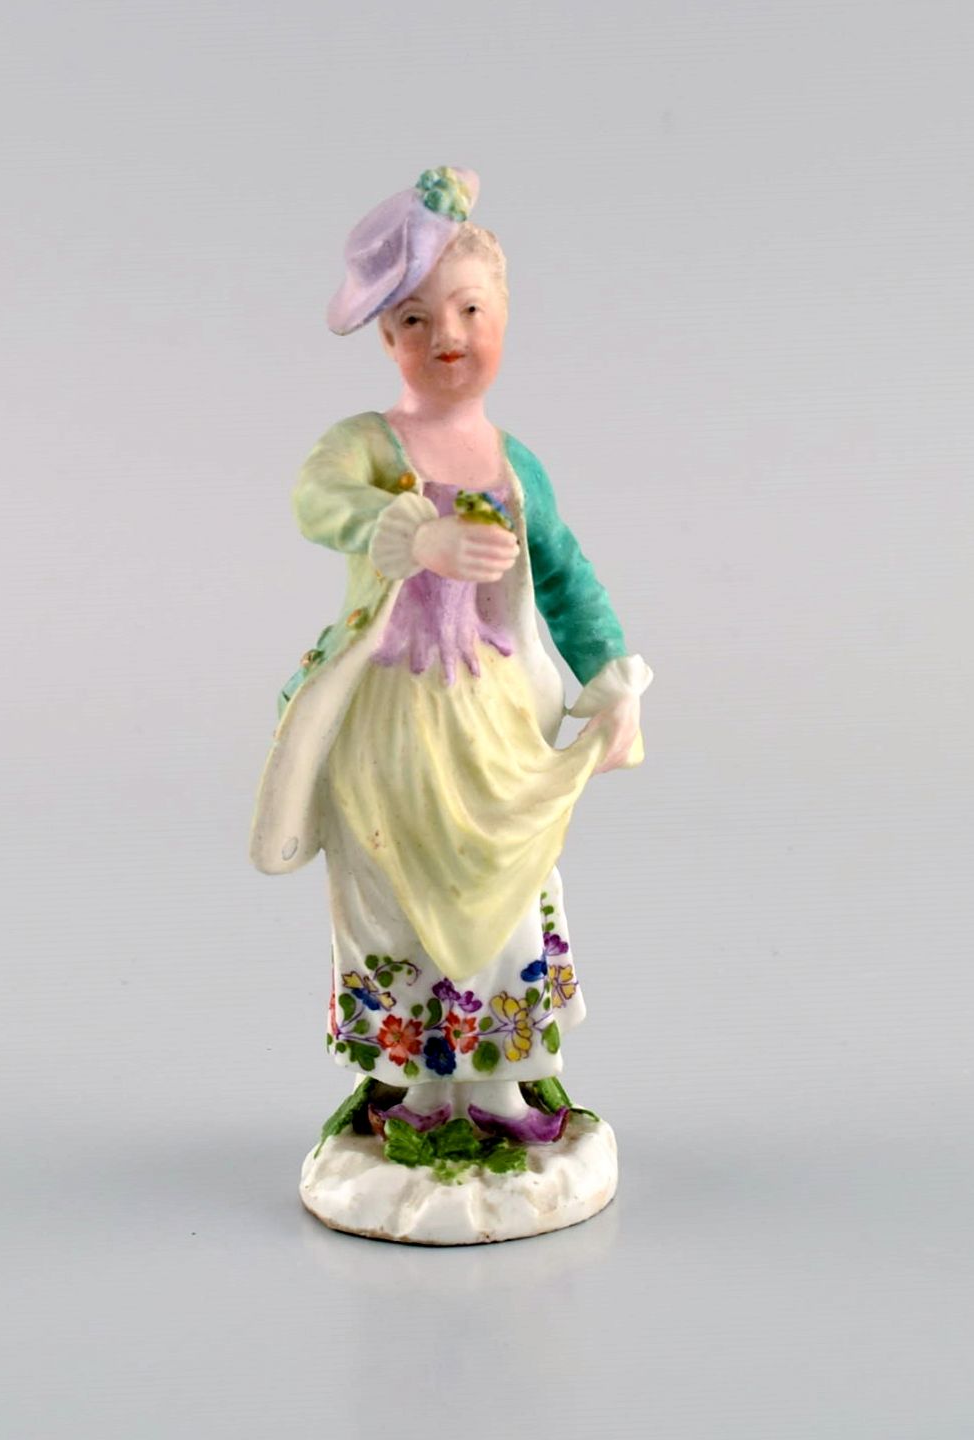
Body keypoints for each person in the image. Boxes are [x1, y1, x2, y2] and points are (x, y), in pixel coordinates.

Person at [251, 167, 652, 1145]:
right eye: (416, 319)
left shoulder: (516, 464)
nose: (448, 336)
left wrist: (613, 685)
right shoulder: (364, 444)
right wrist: (409, 534)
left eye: (471, 309)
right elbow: (316, 501)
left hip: (495, 724)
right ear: (386, 338)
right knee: (395, 898)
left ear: (504, 317)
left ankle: (500, 1085)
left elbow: (565, 577)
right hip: (393, 720)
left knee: (506, 888)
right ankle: (417, 1090)